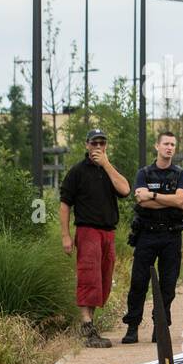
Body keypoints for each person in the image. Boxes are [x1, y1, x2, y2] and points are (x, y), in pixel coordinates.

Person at [58, 128, 131, 348]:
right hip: (87, 230)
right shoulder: (77, 171)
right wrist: (66, 236)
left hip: (108, 231)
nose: (98, 147)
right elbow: (64, 204)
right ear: (86, 145)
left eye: (102, 143)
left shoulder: (109, 170)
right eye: (94, 143)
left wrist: (106, 165)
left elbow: (126, 190)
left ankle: (91, 326)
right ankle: (87, 327)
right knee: (89, 277)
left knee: (103, 280)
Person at [121, 131, 183, 344]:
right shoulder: (144, 173)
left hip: (171, 235)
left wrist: (153, 195)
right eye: (166, 144)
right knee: (139, 281)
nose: (170, 148)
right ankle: (132, 326)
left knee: (168, 284)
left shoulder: (180, 174)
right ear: (156, 147)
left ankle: (160, 327)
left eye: (173, 144)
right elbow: (142, 201)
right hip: (147, 234)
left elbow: (180, 201)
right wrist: (164, 199)